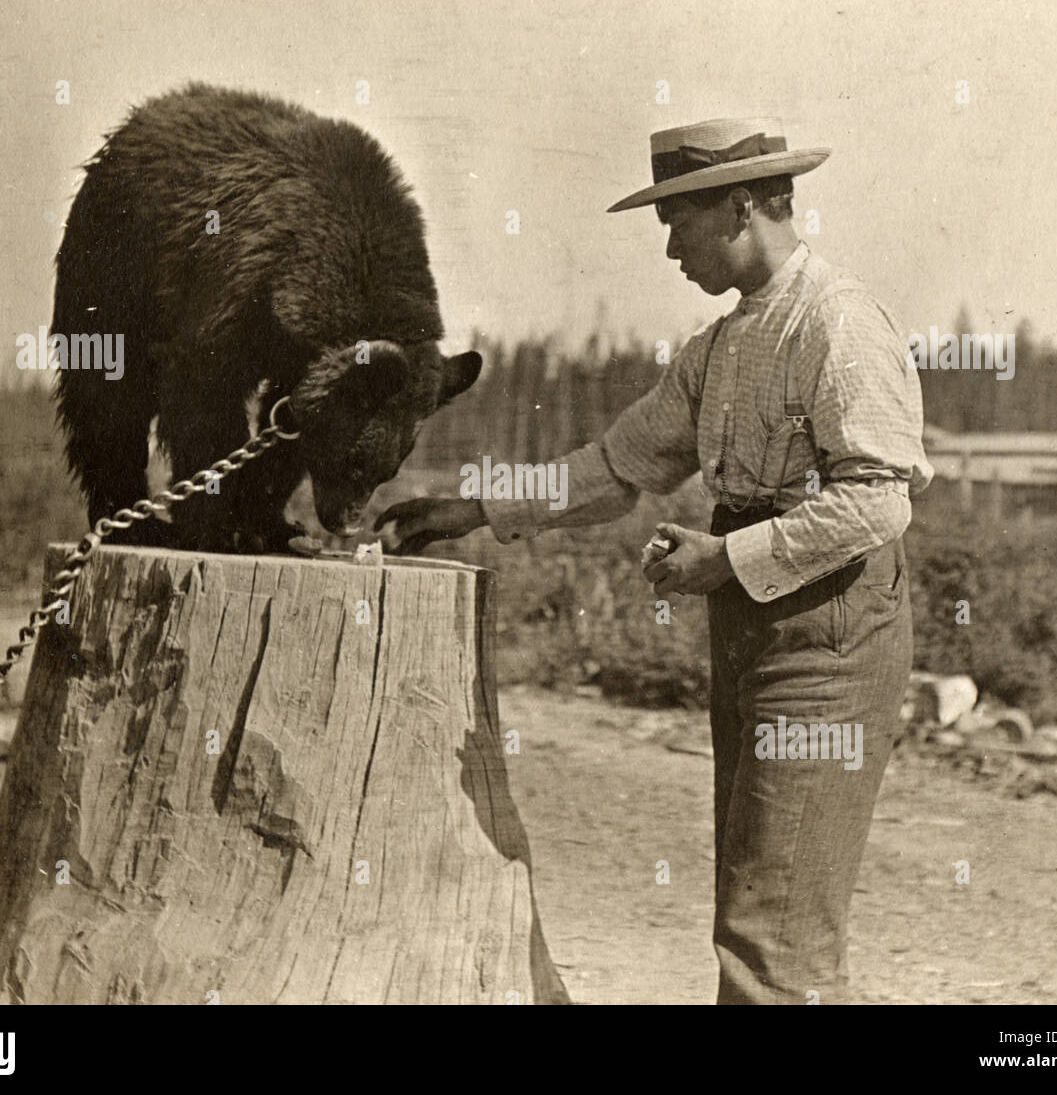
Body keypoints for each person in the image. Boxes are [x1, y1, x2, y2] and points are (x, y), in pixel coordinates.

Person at [375, 117, 932, 1004]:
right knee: (763, 905)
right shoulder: (722, 346)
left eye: (679, 218)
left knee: (771, 933)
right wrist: (472, 508)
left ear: (742, 205)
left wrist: (730, 555)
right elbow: (612, 468)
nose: (669, 246)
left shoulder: (838, 322)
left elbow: (877, 498)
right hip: (753, 621)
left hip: (832, 633)